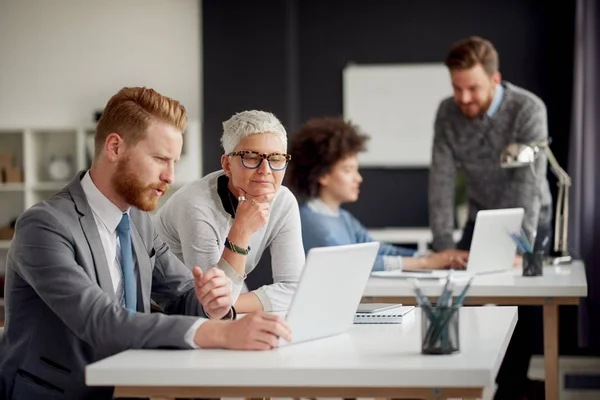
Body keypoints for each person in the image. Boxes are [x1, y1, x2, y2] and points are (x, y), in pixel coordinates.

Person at [0, 88, 291, 400]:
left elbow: (182, 298)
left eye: (174, 161)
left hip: (132, 387)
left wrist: (213, 302)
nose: (170, 176)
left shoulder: (138, 222)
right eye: (160, 159)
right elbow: (99, 320)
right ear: (114, 147)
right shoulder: (43, 226)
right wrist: (220, 333)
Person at [429, 36, 551, 400]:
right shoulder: (447, 112)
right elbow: (441, 179)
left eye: (473, 88)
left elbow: (527, 185)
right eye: (456, 88)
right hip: (481, 217)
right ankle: (474, 384)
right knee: (465, 300)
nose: (463, 98)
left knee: (522, 309)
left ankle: (512, 388)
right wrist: (444, 248)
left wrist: (519, 247)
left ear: (495, 80)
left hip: (532, 222)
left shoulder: (528, 109)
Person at [154, 110, 305, 314]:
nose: (266, 170)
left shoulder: (283, 201)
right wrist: (241, 229)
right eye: (251, 157)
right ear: (227, 164)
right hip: (167, 314)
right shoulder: (196, 206)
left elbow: (295, 289)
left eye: (276, 159)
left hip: (220, 306)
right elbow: (211, 303)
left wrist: (230, 305)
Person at [286, 116, 466, 272]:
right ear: (322, 175)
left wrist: (433, 257)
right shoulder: (309, 221)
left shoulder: (343, 218)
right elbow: (353, 264)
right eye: (348, 170)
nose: (358, 178)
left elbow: (378, 250)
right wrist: (424, 262)